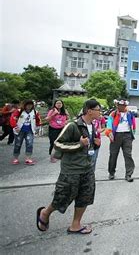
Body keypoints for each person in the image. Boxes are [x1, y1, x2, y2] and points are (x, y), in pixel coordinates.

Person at [36, 99, 101, 234]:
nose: (100, 112)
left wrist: (96, 143)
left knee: (85, 197)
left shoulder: (93, 125)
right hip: (71, 169)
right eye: (98, 110)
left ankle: (75, 225)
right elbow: (57, 144)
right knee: (62, 197)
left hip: (87, 168)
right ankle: (45, 213)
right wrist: (79, 144)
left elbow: (89, 146)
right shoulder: (72, 125)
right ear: (89, 111)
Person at [105, 98, 136, 182]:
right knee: (113, 155)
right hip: (116, 136)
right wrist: (109, 132)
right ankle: (111, 173)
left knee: (128, 155)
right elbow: (108, 125)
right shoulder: (113, 114)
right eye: (120, 105)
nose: (122, 107)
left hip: (127, 135)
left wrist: (132, 134)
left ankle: (128, 174)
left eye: (123, 105)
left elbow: (133, 124)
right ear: (117, 105)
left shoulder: (130, 114)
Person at [10, 100, 42, 165]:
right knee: (18, 144)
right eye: (28, 104)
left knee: (30, 144)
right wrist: (15, 127)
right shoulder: (19, 111)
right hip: (19, 130)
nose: (29, 106)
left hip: (30, 130)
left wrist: (38, 127)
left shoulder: (35, 112)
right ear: (24, 105)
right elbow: (13, 118)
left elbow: (38, 120)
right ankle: (15, 158)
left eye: (31, 104)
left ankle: (28, 158)